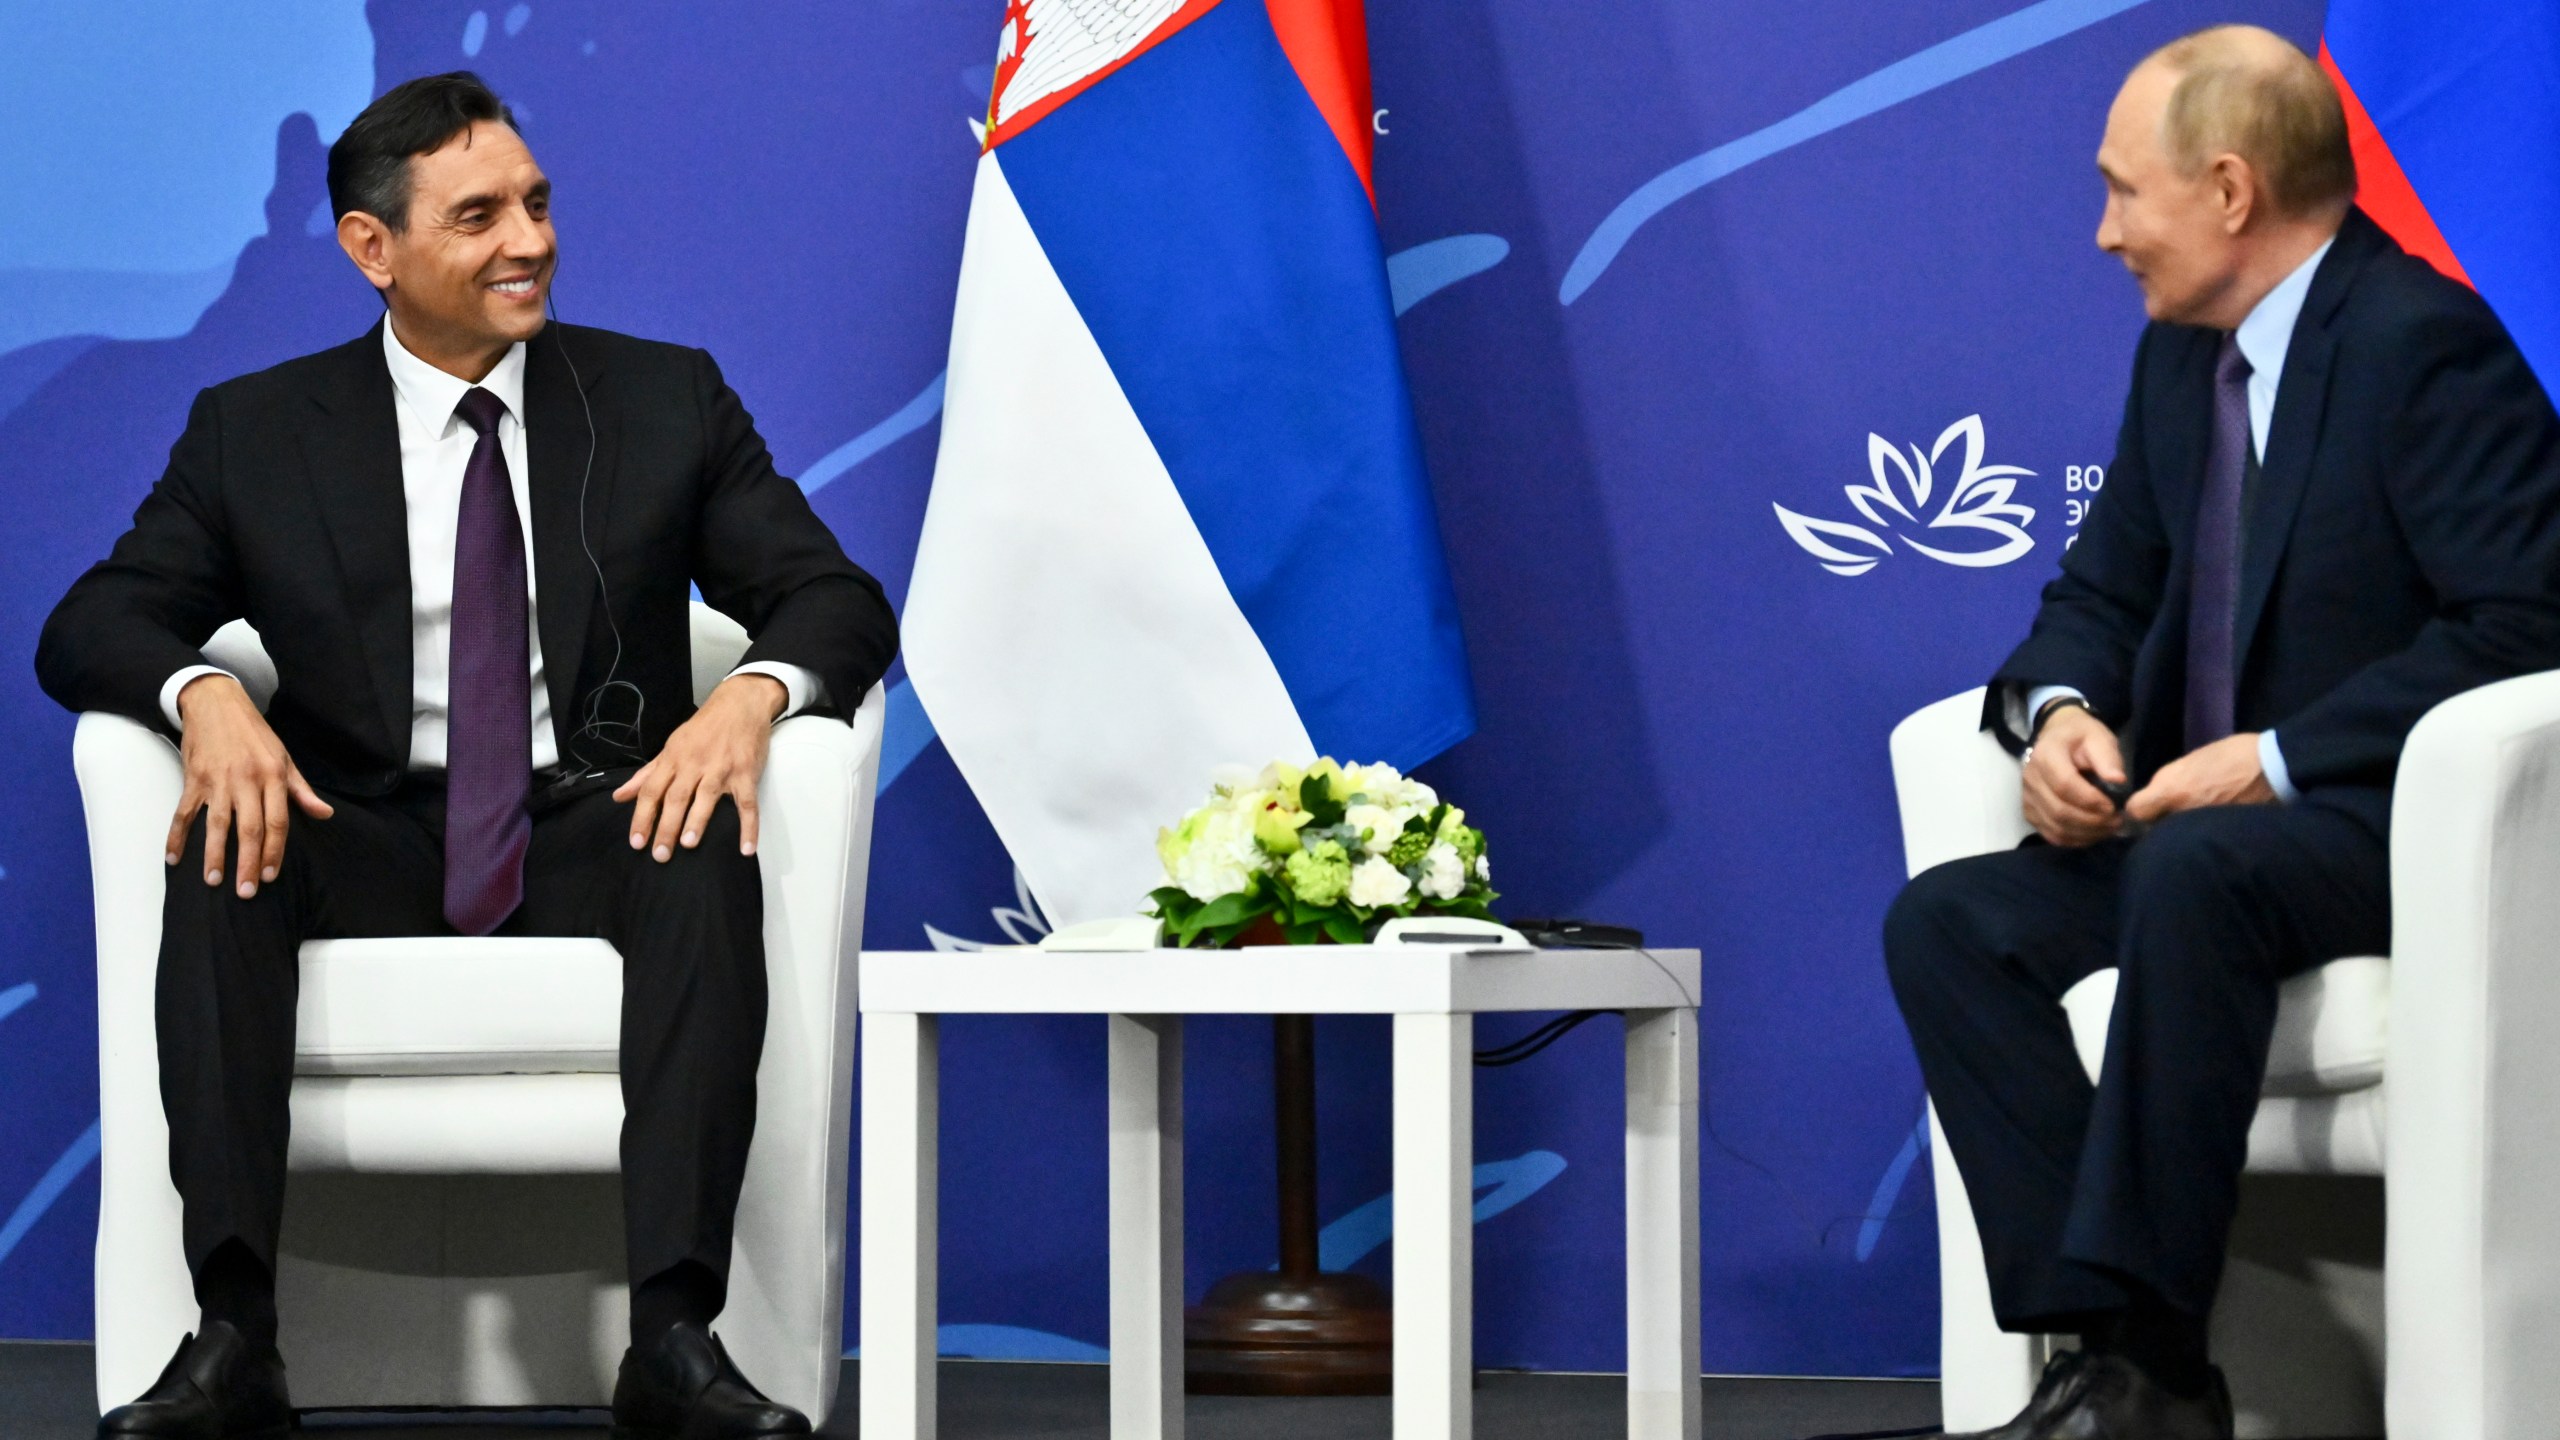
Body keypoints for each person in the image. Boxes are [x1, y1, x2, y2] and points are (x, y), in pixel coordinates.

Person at [38, 72, 897, 1440]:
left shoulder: (663, 399)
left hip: (583, 819)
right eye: (481, 215)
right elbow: (94, 621)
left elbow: (836, 600)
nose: (532, 242)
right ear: (373, 250)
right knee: (218, 840)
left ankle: (673, 1340)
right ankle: (234, 1340)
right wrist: (203, 693)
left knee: (693, 844)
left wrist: (747, 703)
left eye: (540, 205)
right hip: (357, 822)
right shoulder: (256, 430)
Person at [1884, 26, 2560, 1440]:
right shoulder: (2180, 366)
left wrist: (2275, 758)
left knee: (2197, 875)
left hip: (2376, 830)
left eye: (2127, 191)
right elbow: (2100, 591)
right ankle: (2126, 1360)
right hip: (2199, 840)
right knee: (1953, 921)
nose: (2104, 231)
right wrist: (2057, 716)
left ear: (2233, 190)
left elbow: (2525, 621)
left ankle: (2138, 1377)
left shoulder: (2418, 342)